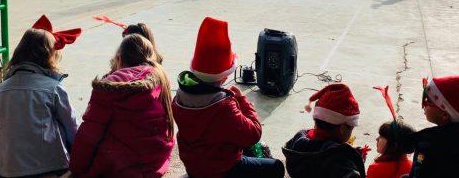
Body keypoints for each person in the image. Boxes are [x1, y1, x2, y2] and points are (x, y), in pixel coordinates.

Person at [173, 17, 285, 178]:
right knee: (276, 167)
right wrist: (243, 102)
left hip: (193, 166)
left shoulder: (178, 98)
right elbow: (253, 134)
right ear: (224, 77)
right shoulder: (224, 106)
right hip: (222, 170)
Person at [69, 34, 175, 177]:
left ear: (119, 58)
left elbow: (89, 136)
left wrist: (76, 169)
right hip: (155, 163)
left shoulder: (108, 89)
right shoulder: (159, 77)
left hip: (122, 170)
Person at [0, 16, 81, 178]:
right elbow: (72, 128)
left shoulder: (3, 88)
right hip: (48, 168)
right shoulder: (53, 88)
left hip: (4, 170)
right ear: (50, 56)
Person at [282, 83, 366, 178]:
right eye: (351, 128)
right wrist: (354, 158)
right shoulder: (342, 162)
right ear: (342, 128)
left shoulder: (297, 140)